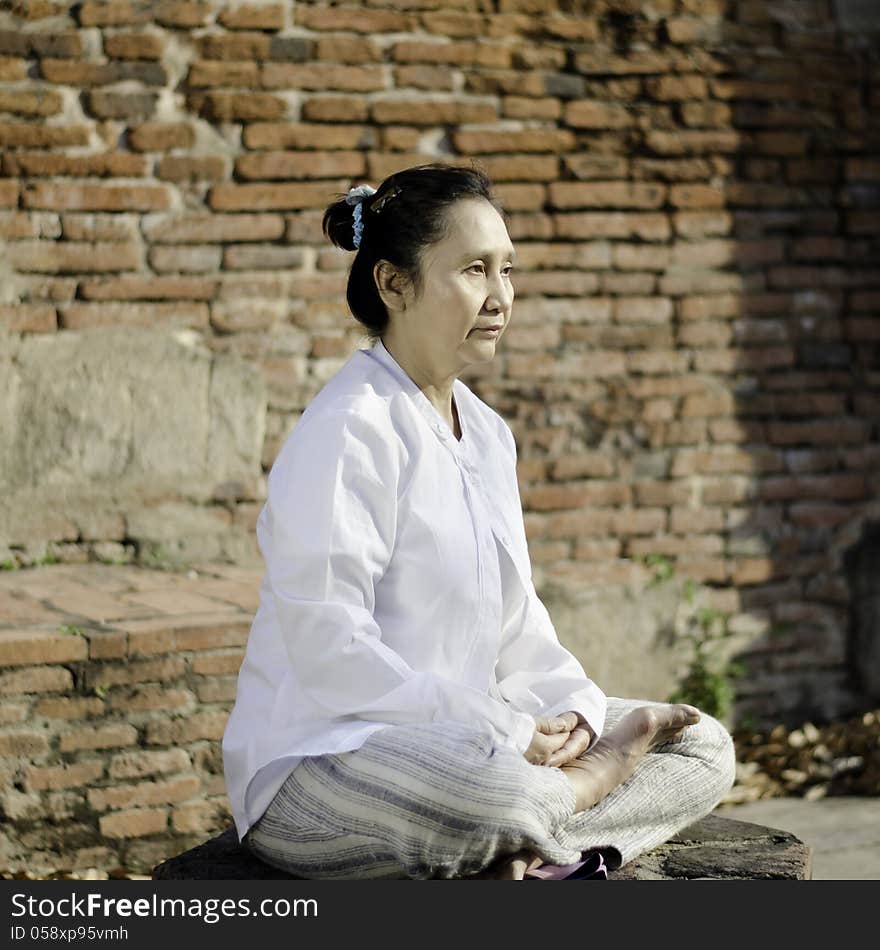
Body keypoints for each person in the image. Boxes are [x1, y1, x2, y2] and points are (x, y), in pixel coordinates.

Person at [222, 163, 736, 880]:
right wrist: (521, 737)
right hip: (324, 763)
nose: (500, 298)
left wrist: (572, 716)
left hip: (476, 742)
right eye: (472, 270)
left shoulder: (486, 433)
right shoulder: (349, 430)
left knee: (705, 745)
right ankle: (570, 805)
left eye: (507, 270)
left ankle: (521, 852)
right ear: (393, 284)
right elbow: (331, 651)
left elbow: (518, 626)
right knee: (494, 793)